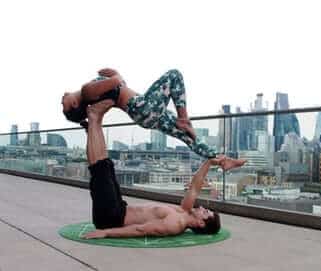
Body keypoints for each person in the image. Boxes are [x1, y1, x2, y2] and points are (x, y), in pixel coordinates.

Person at [82, 100, 226, 238]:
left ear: (201, 223)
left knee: (99, 169)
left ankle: (94, 118)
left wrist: (106, 233)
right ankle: (95, 123)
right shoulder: (184, 211)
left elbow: (140, 230)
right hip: (120, 208)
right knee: (106, 164)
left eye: (206, 212)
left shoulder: (175, 224)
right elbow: (195, 186)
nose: (202, 208)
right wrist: (209, 162)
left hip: (111, 218)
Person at [62, 68, 245, 170]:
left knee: (188, 137)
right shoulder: (87, 91)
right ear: (75, 105)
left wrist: (114, 77)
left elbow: (117, 87)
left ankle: (222, 160)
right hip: (142, 107)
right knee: (174, 75)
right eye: (63, 104)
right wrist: (116, 75)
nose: (61, 100)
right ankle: (184, 118)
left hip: (143, 114)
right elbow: (117, 82)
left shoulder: (91, 95)